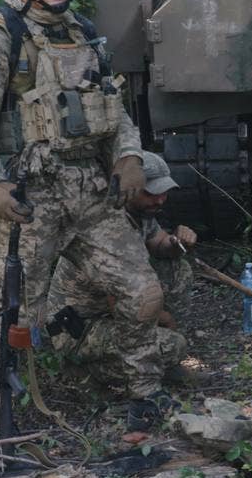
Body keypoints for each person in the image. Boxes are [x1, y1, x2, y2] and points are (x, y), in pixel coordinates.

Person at [0, 0, 171, 434]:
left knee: (144, 296)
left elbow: (116, 116)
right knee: (14, 318)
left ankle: (144, 392)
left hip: (91, 194)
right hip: (32, 199)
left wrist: (129, 156)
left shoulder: (86, 35)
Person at [46, 152, 196, 381]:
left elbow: (160, 245)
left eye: (163, 192)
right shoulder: (106, 227)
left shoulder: (138, 210)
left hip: (108, 310)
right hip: (78, 328)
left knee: (177, 268)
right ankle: (85, 373)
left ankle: (155, 358)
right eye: (151, 193)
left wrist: (178, 241)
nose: (160, 200)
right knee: (173, 345)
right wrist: (165, 321)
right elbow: (122, 303)